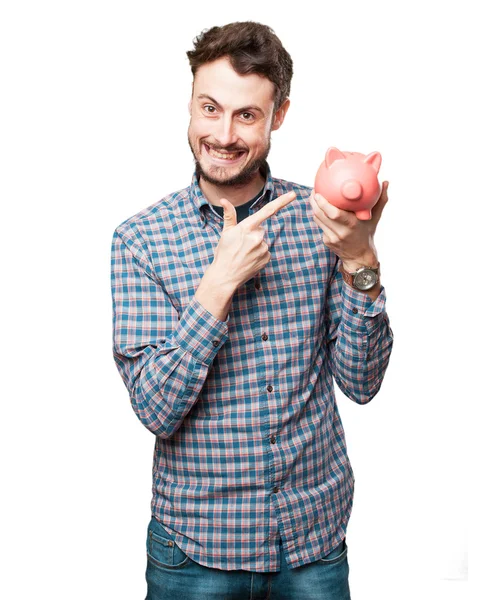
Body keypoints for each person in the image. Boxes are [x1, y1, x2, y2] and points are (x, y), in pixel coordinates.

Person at [110, 20, 394, 600]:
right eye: (210, 108)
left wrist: (361, 261)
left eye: (247, 115)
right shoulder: (139, 240)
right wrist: (216, 288)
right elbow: (156, 410)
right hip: (196, 551)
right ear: (189, 104)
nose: (223, 133)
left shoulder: (319, 224)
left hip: (311, 543)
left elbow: (362, 384)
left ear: (279, 116)